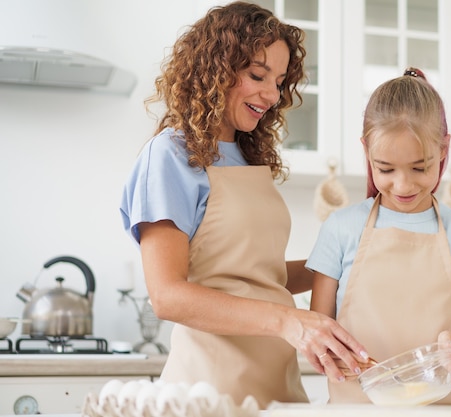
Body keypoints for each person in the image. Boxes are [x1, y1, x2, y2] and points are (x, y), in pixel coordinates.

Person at [119, 1, 369, 409]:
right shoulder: (170, 156)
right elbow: (167, 295)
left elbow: (257, 279)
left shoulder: (248, 156)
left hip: (277, 387)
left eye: (280, 81)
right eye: (257, 75)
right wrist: (290, 321)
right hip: (209, 392)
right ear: (215, 68)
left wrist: (337, 263)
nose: (271, 95)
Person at [307, 68, 451, 404]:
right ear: (366, 150)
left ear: (443, 150)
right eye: (385, 169)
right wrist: (329, 354)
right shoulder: (340, 229)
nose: (403, 185)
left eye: (419, 167)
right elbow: (318, 337)